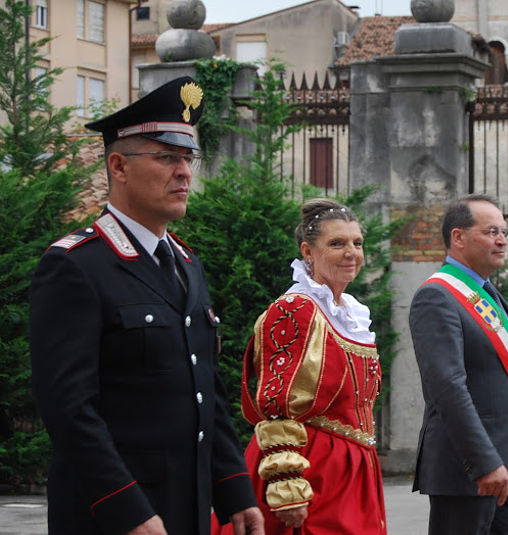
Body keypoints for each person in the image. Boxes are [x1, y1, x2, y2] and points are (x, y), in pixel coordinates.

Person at [29, 76, 263, 535]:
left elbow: (204, 390)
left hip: (187, 507)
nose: (185, 172)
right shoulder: (76, 266)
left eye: (188, 158)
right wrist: (127, 510)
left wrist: (234, 489)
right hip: (113, 515)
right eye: (166, 157)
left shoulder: (185, 263)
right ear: (118, 166)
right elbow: (68, 410)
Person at [212, 198, 386, 534]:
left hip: (355, 467)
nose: (351, 252)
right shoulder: (295, 308)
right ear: (308, 251)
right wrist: (286, 484)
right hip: (310, 468)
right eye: (337, 243)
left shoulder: (353, 313)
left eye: (357, 243)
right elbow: (275, 405)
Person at [409, 194, 508, 535]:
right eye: (491, 231)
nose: (502, 239)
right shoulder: (437, 296)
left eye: (504, 231)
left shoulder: (488, 294)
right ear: (458, 237)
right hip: (469, 474)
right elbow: (447, 387)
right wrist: (484, 461)